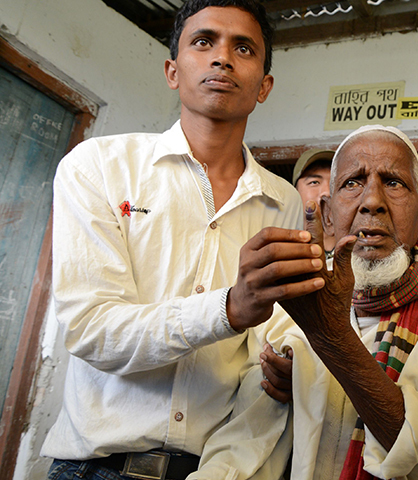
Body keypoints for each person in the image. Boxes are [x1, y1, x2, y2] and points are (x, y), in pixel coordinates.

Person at [41, 1, 326, 479]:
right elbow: (91, 328)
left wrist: (280, 369)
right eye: (203, 41)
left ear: (264, 86)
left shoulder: (284, 203)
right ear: (173, 70)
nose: (222, 58)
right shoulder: (99, 167)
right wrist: (227, 309)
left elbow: (262, 347)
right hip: (94, 469)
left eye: (243, 48)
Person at [190, 125, 418, 480]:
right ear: (327, 215)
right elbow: (244, 443)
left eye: (394, 182)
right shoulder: (293, 297)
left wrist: (331, 346)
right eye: (353, 182)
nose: (372, 201)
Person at [293, 148, 336, 255]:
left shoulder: (363, 247)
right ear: (295, 192)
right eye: (314, 182)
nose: (327, 192)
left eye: (335, 183)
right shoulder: (286, 249)